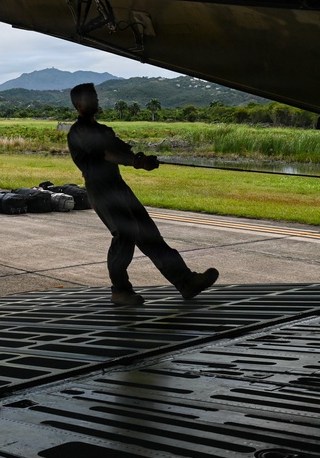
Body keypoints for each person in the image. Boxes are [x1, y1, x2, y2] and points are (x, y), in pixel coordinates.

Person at [67, 83, 218, 306]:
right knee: (124, 235)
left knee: (148, 234)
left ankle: (185, 282)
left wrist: (142, 158)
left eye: (96, 96)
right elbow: (107, 154)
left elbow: (120, 149)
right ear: (79, 105)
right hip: (101, 189)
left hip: (117, 186)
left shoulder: (103, 130)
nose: (96, 100)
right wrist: (138, 162)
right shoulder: (78, 132)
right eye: (91, 97)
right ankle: (120, 290)